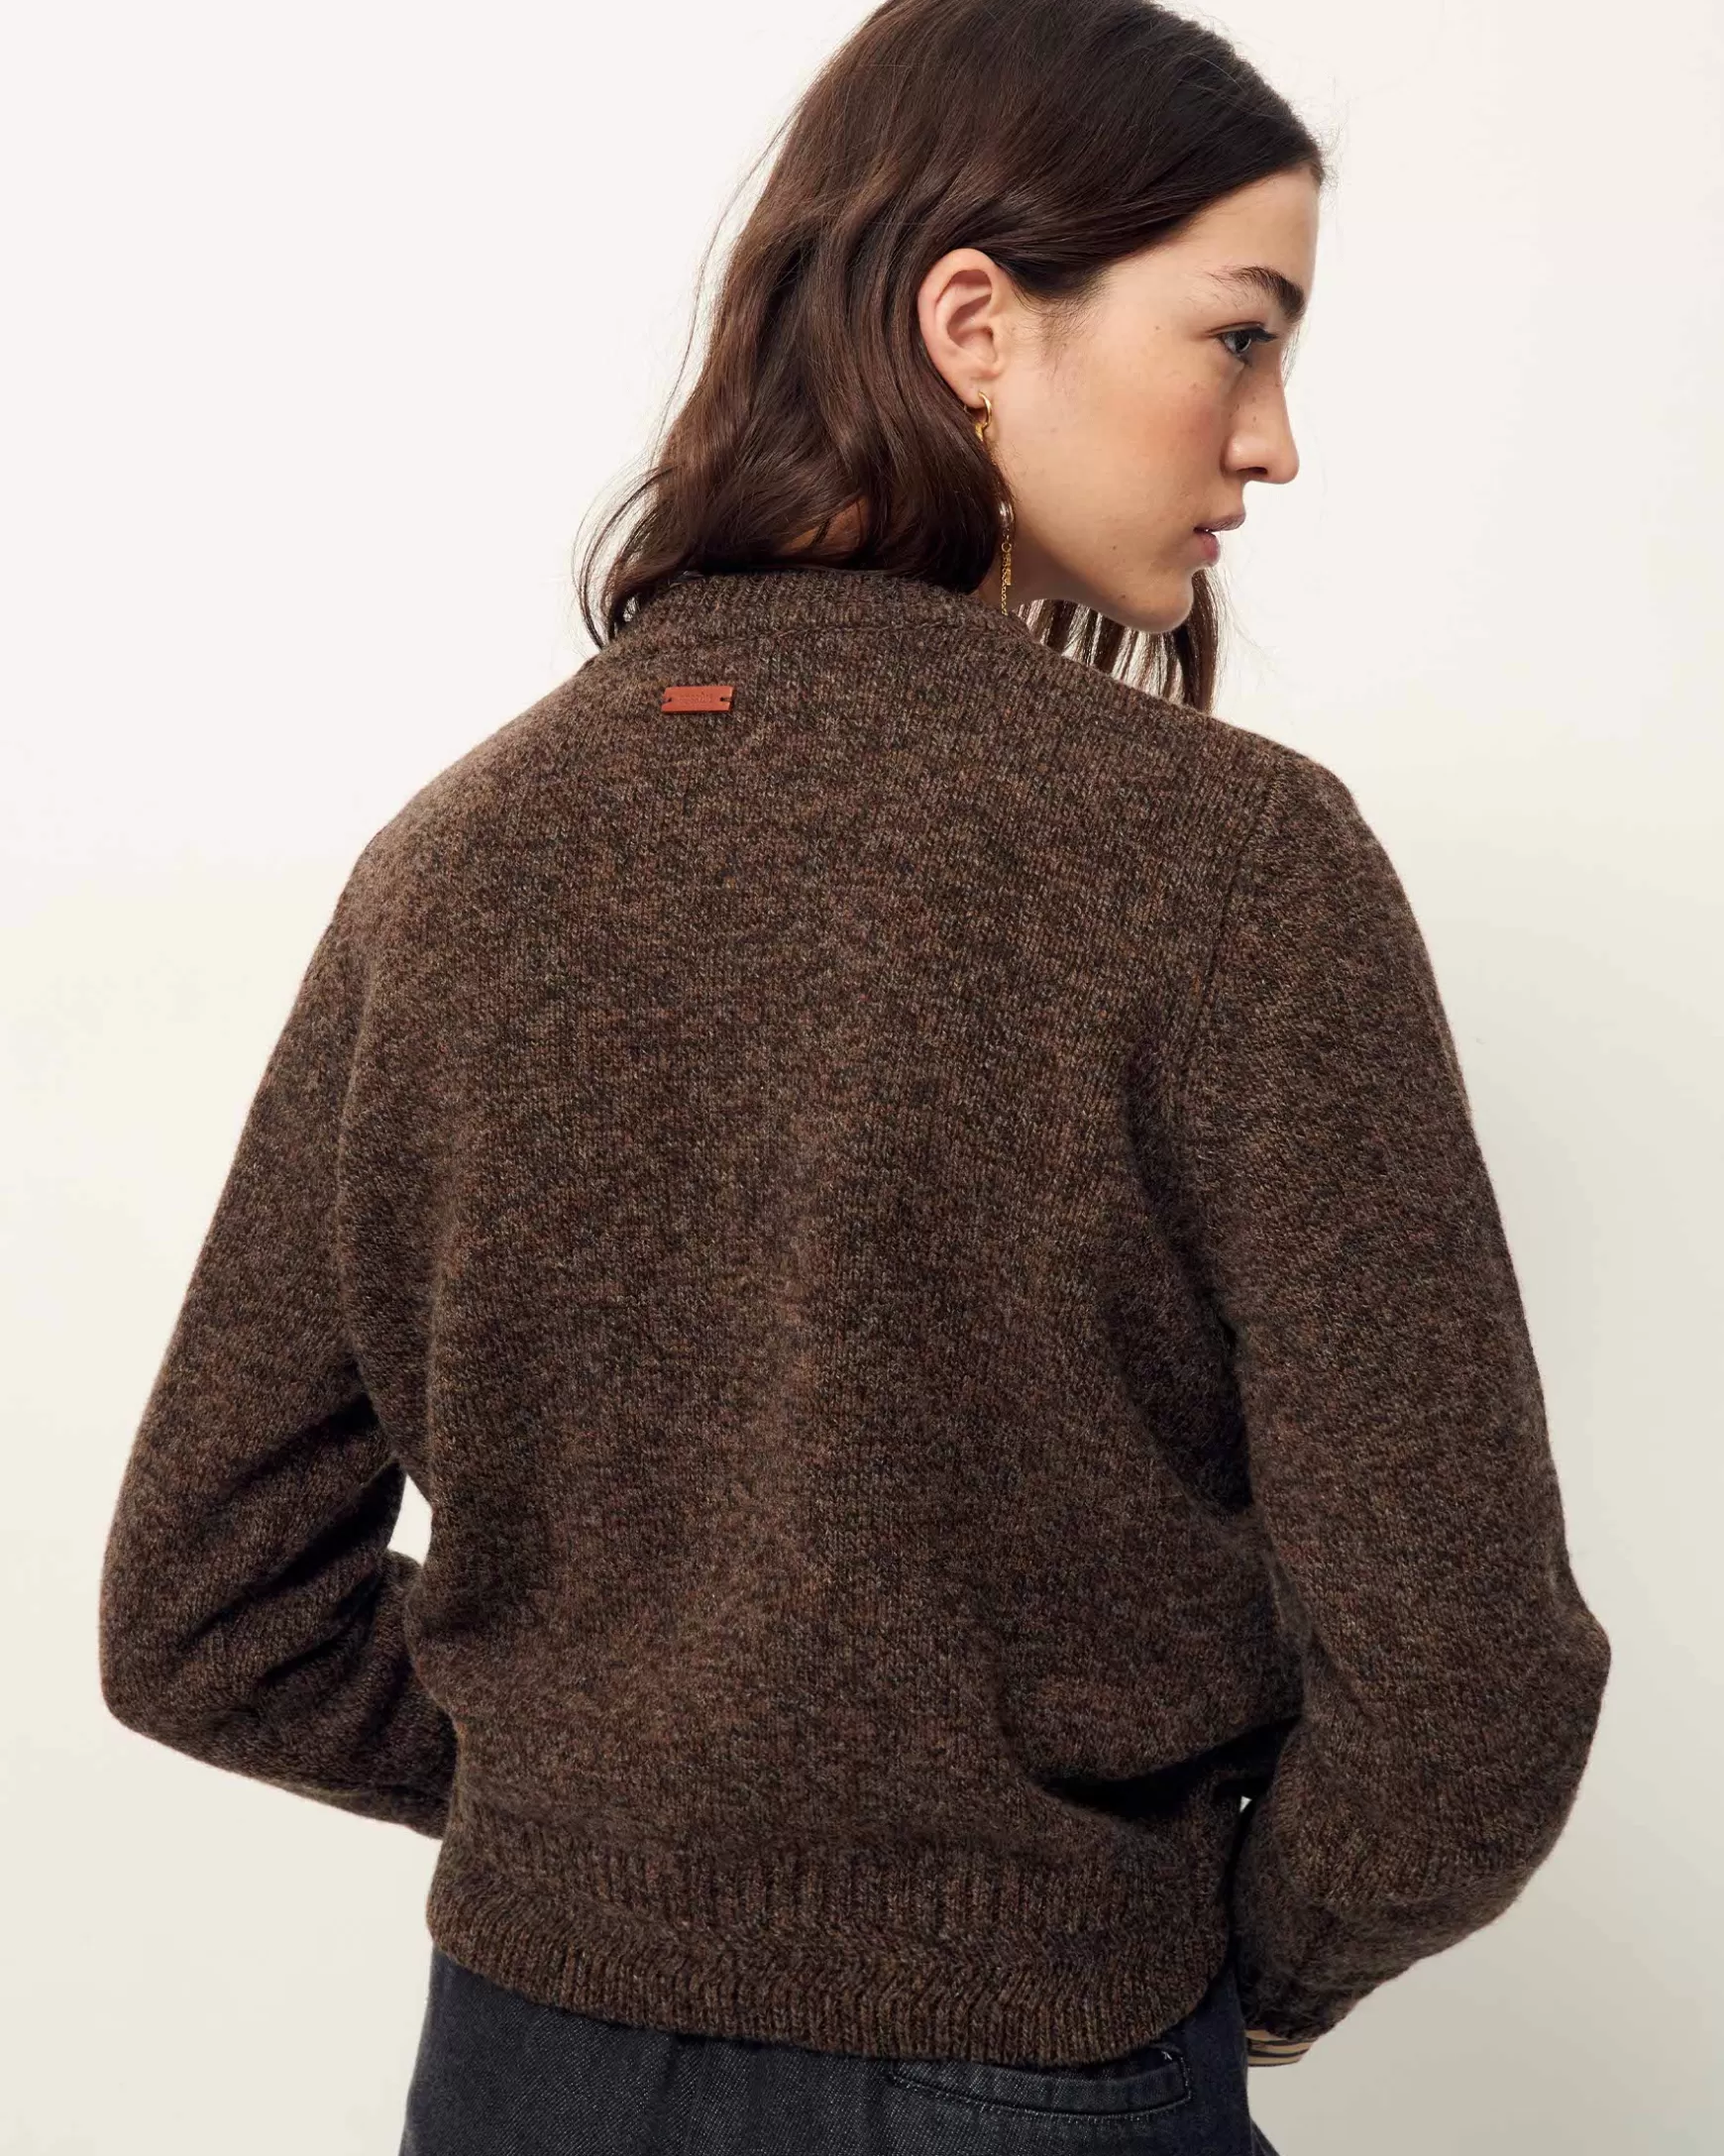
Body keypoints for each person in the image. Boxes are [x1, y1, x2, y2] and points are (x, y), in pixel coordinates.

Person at [96, 1, 1612, 2150]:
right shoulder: (1232, 867)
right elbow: (1471, 1692)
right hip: (1035, 2066)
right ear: (973, 323)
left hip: (520, 2065)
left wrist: (613, 1815)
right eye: (1240, 337)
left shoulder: (450, 862)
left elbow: (204, 1612)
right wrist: (1201, 1950)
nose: (1274, 442)